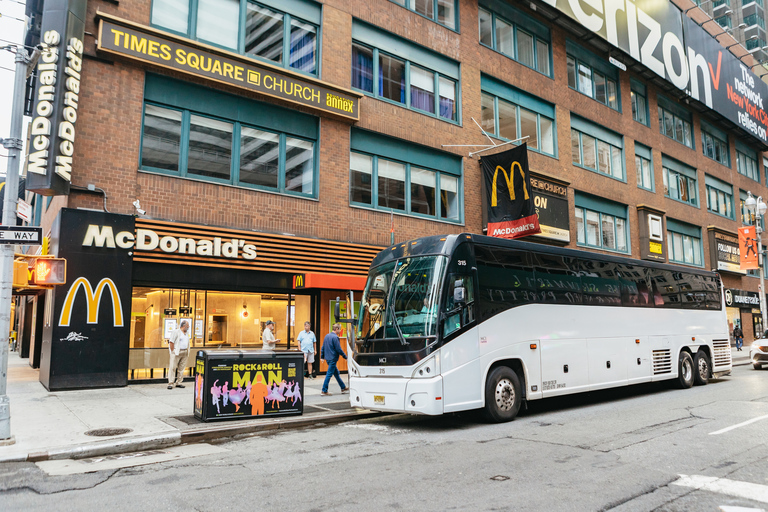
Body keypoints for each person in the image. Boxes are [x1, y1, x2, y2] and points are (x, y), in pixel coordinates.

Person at [320, 323, 348, 396]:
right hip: (333, 358)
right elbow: (338, 349)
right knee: (329, 374)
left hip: (328, 358)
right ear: (337, 329)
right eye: (339, 329)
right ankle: (324, 390)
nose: (340, 331)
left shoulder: (327, 336)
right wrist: (345, 356)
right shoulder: (335, 338)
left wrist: (322, 357)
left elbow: (323, 347)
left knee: (336, 373)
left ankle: (343, 387)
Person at [168, 320, 190, 390]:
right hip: (177, 352)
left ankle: (179, 382)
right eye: (187, 326)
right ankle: (171, 383)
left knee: (181, 368)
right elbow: (171, 342)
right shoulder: (176, 332)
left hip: (185, 352)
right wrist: (173, 351)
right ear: (184, 326)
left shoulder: (186, 333)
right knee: (173, 368)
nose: (188, 327)